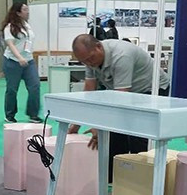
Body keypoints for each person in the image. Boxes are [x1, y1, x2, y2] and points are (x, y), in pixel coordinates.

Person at [69, 34, 170, 181]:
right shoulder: (90, 60)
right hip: (126, 92)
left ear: (98, 47)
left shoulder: (122, 55)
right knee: (114, 135)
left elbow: (120, 99)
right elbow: (89, 92)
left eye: (90, 59)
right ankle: (115, 178)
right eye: (84, 62)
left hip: (151, 89)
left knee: (137, 134)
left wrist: (99, 126)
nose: (89, 64)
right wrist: (76, 123)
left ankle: (139, 181)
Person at [2, 2, 42, 124]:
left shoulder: (27, 26)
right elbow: (10, 44)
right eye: (25, 9)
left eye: (27, 9)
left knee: (35, 86)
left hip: (28, 61)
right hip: (13, 61)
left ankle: (33, 114)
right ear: (18, 12)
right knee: (12, 89)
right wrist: (19, 58)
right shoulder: (9, 27)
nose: (28, 11)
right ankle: (10, 114)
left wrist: (26, 57)